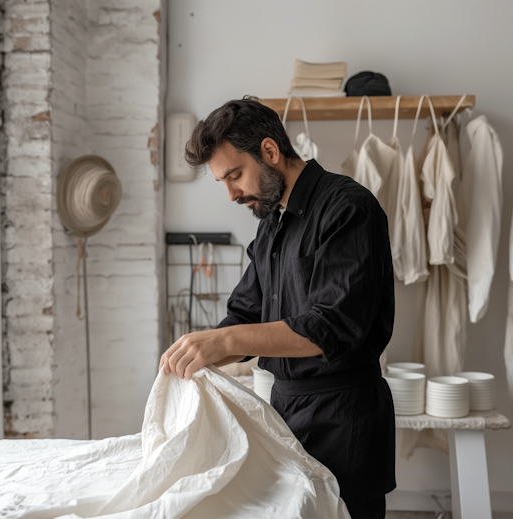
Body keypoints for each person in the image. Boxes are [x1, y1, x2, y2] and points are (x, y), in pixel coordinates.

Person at [159, 96, 395, 519]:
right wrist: (198, 357)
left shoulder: (349, 209)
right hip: (286, 413)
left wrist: (224, 340)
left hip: (345, 418)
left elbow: (330, 327)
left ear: (270, 151)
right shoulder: (272, 224)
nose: (232, 193)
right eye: (223, 183)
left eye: (235, 176)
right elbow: (245, 315)